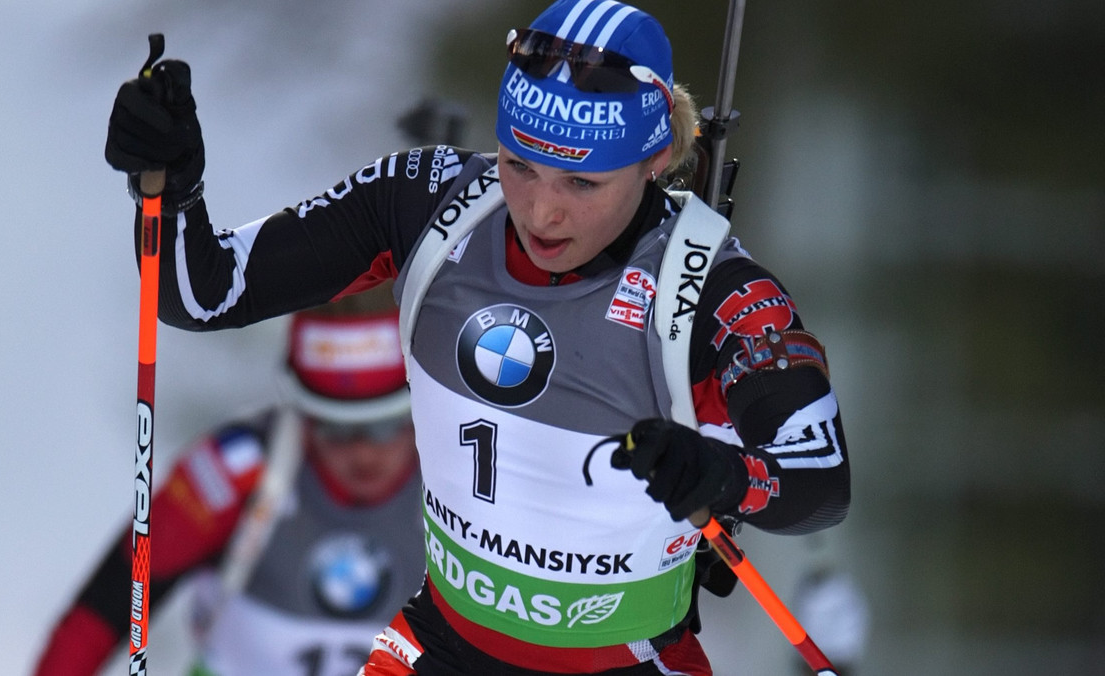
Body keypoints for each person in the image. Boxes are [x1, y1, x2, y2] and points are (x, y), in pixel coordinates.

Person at [101, 1, 851, 673]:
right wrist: (169, 185)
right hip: (441, 649)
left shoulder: (716, 286)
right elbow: (200, 293)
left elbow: (821, 483)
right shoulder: (431, 200)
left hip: (628, 660)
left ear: (655, 161)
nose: (541, 212)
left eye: (582, 184)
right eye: (520, 165)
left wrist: (723, 475)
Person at [32, 284, 426, 676]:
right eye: (333, 429)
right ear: (301, 409)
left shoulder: (470, 476)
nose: (362, 453)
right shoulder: (236, 469)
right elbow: (98, 616)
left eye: (383, 426)